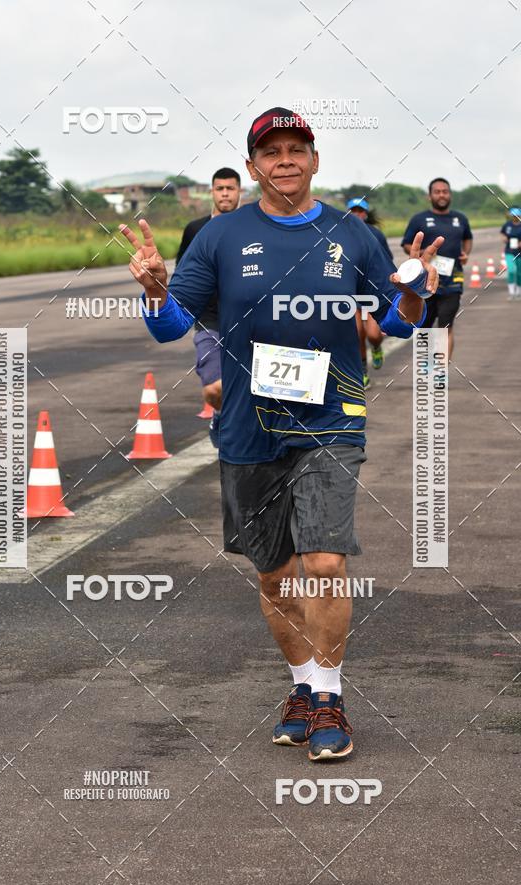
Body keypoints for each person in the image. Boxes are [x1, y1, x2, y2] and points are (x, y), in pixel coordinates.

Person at [120, 107, 441, 762]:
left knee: (324, 562)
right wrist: (155, 289)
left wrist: (414, 294)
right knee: (275, 576)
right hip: (246, 426)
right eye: (272, 152)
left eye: (298, 148)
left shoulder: (351, 235)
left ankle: (329, 695)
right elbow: (169, 325)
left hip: (331, 419)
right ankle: (300, 684)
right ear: (253, 165)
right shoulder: (219, 236)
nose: (286, 160)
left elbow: (399, 320)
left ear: (315, 161)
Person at [176, 168, 241, 443]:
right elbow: (183, 273)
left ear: (240, 192)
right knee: (216, 389)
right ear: (211, 192)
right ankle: (219, 415)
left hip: (249, 320)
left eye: (230, 188)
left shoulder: (252, 226)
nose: (225, 193)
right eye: (219, 188)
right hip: (209, 319)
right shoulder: (195, 229)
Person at [402, 178, 472, 360]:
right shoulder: (419, 219)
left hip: (452, 281)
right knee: (424, 327)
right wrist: (420, 253)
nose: (442, 195)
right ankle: (426, 370)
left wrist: (466, 253)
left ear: (450, 194)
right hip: (425, 283)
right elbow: (407, 244)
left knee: (445, 326)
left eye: (445, 191)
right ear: (430, 195)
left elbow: (468, 238)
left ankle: (439, 371)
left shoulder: (460, 219)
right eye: (437, 191)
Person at [346, 197, 392, 386]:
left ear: (365, 214)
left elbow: (386, 261)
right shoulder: (340, 233)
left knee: (373, 334)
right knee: (356, 333)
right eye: (353, 211)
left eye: (360, 211)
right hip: (352, 292)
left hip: (372, 291)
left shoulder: (376, 234)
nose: (356, 214)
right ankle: (363, 371)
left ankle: (376, 347)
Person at [500, 207, 521, 299]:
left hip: (519, 252)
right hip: (509, 251)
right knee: (512, 270)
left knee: (519, 273)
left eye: (517, 215)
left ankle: (518, 292)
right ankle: (512, 292)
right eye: (513, 216)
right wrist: (504, 238)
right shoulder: (507, 225)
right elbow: (503, 233)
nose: (515, 217)